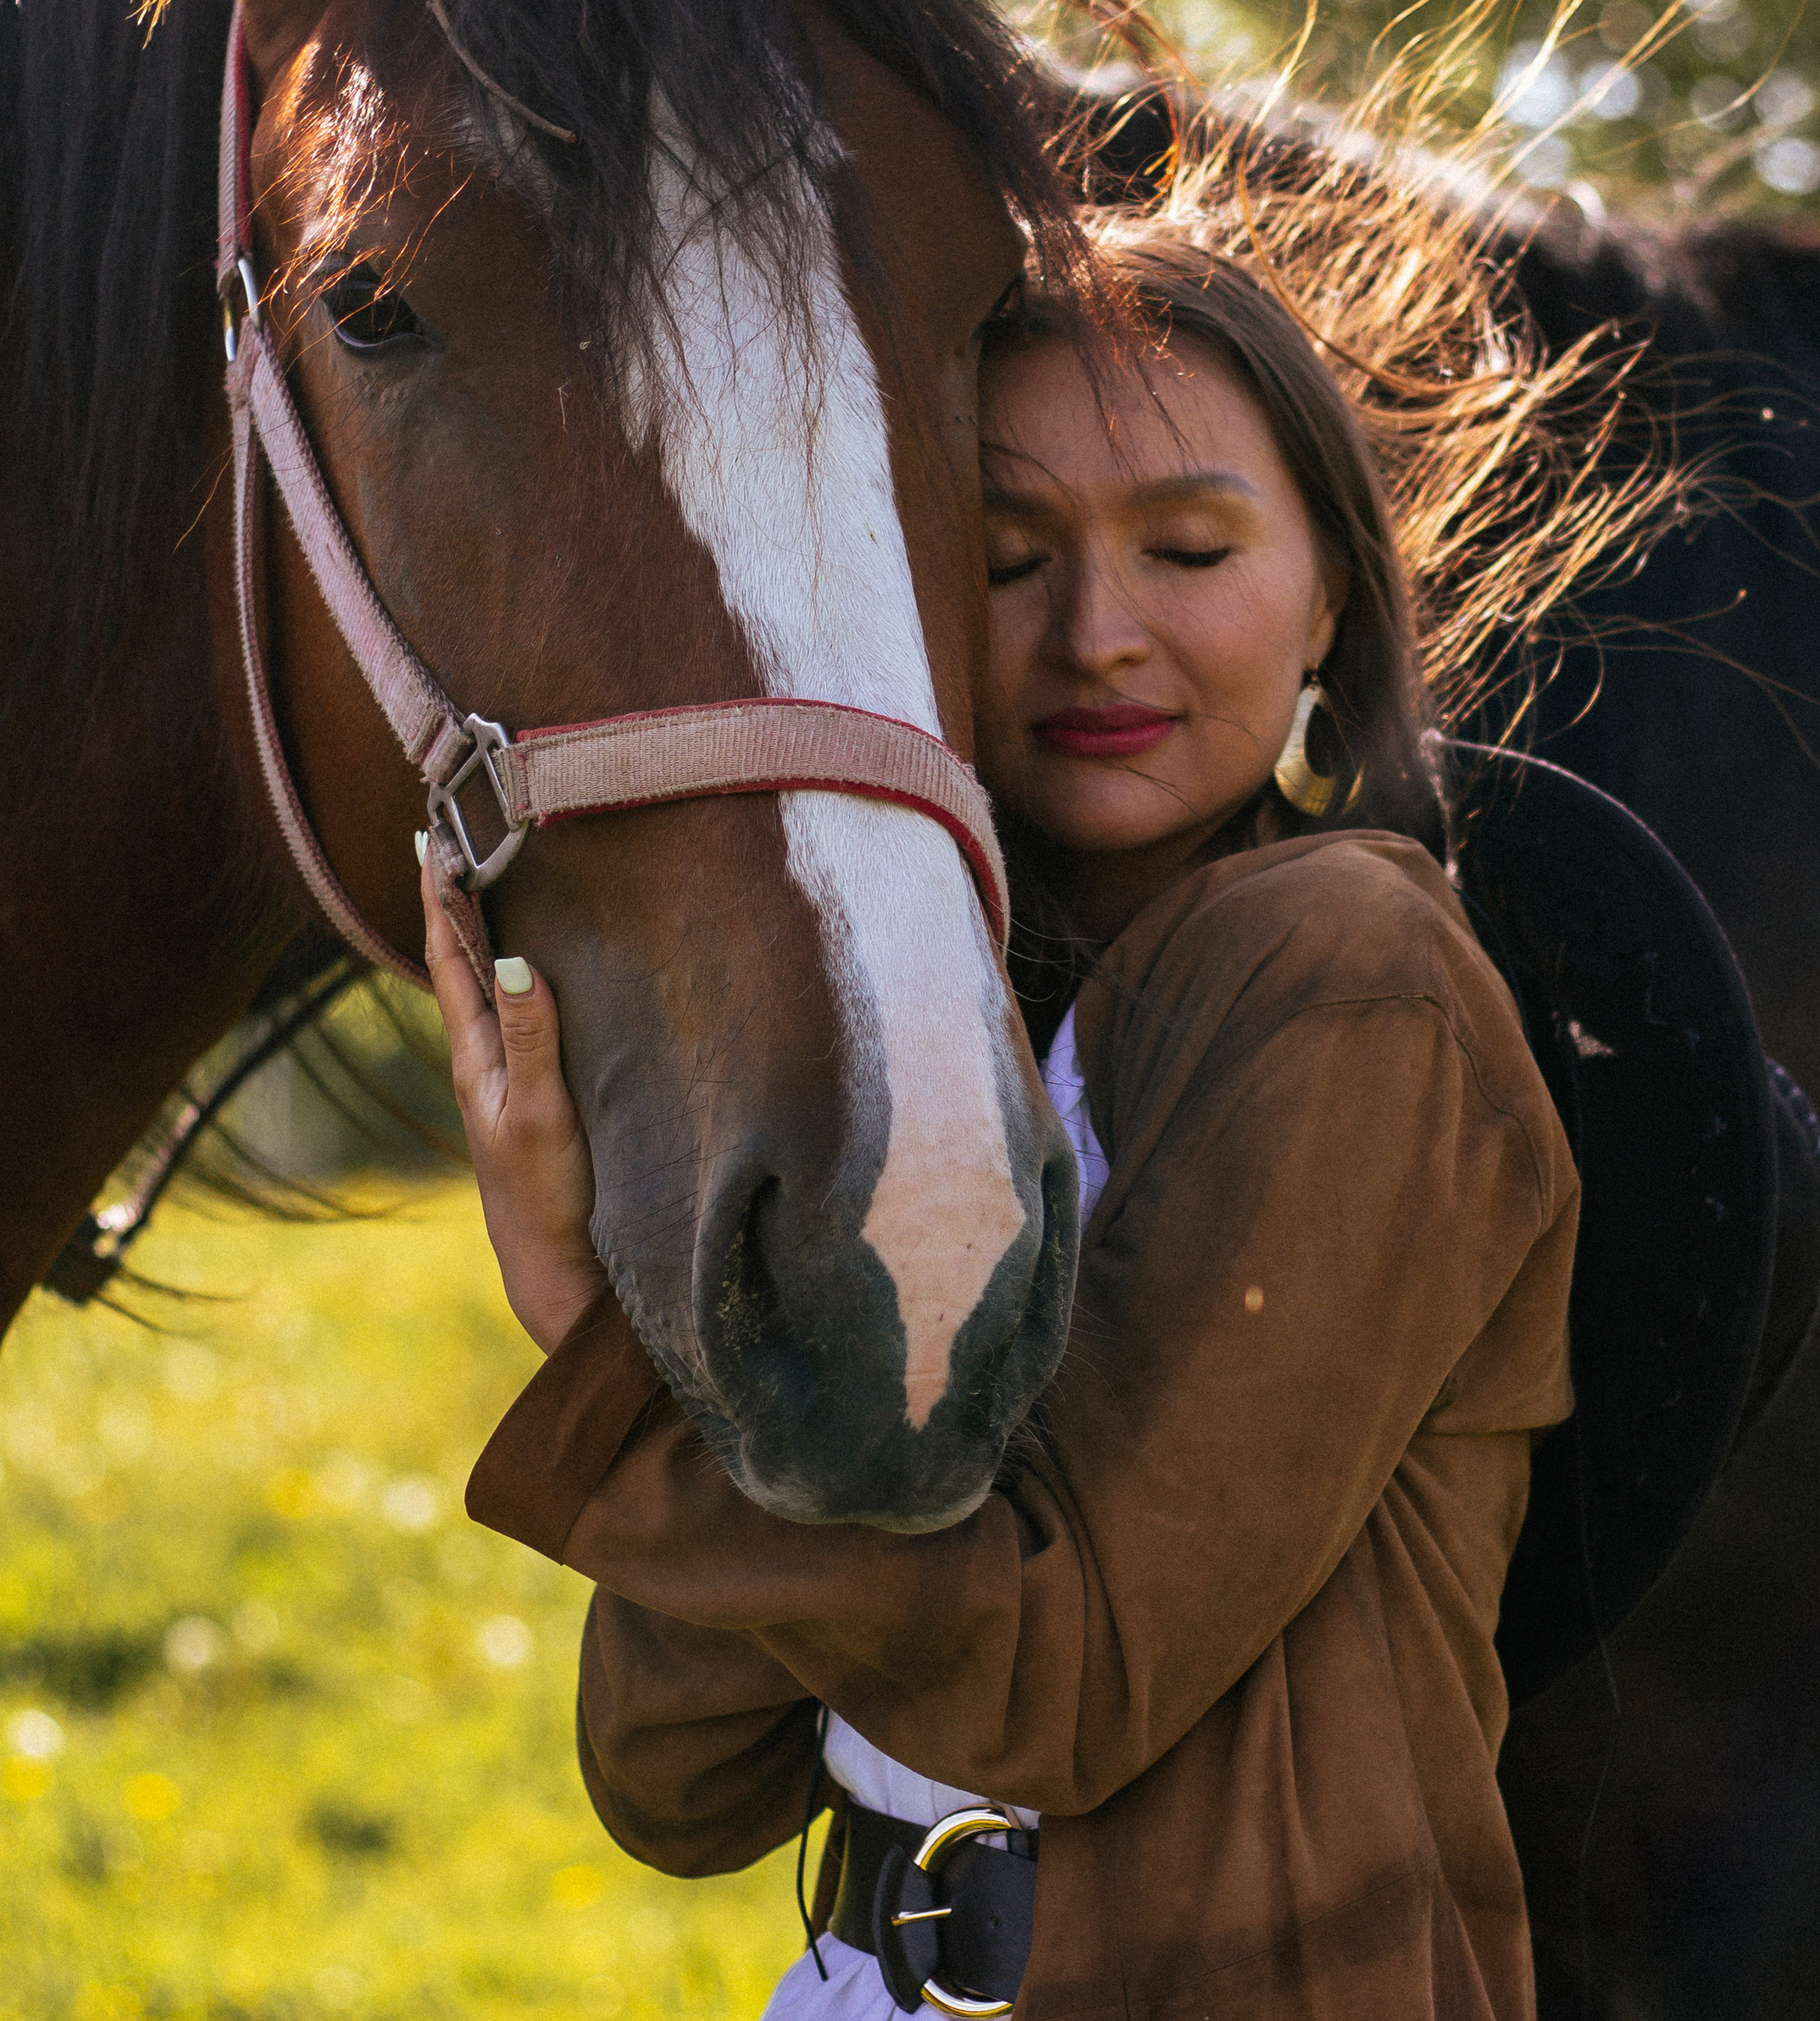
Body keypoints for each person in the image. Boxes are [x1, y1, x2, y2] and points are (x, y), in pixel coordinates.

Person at [423, 225, 1579, 2019]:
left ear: (1332, 598)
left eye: (1188, 548)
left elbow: (1061, 1679)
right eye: (1004, 555)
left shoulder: (1356, 981)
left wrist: (588, 1327)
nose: (1095, 630)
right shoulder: (950, 1044)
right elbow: (676, 1777)